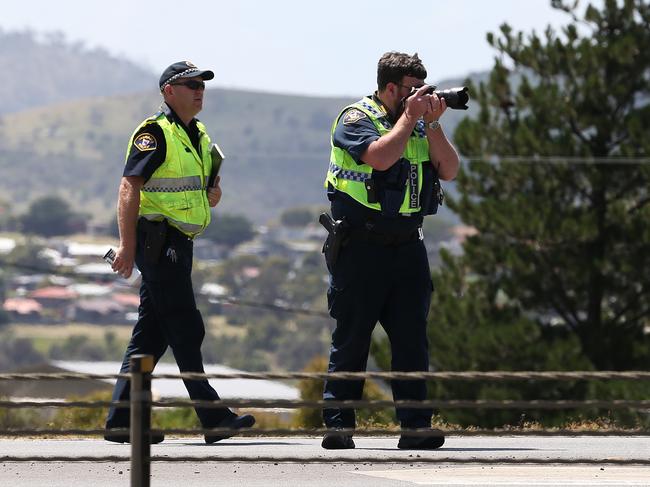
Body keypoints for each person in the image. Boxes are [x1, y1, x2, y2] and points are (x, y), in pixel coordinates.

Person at [104, 61, 255, 444]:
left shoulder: (198, 133)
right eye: (190, 84)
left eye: (202, 84)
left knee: (150, 337)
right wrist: (127, 245)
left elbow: (197, 187)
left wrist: (211, 195)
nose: (199, 90)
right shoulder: (154, 133)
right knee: (187, 327)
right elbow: (129, 187)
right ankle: (213, 416)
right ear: (169, 91)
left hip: (179, 244)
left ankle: (122, 421)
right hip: (158, 243)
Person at [320, 52, 459, 450]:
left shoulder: (417, 123)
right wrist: (411, 118)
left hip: (408, 247)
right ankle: (339, 424)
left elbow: (449, 170)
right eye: (412, 90)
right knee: (352, 339)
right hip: (361, 247)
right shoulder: (355, 118)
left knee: (412, 340)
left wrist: (431, 123)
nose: (419, 96)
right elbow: (379, 158)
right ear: (391, 87)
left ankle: (415, 425)